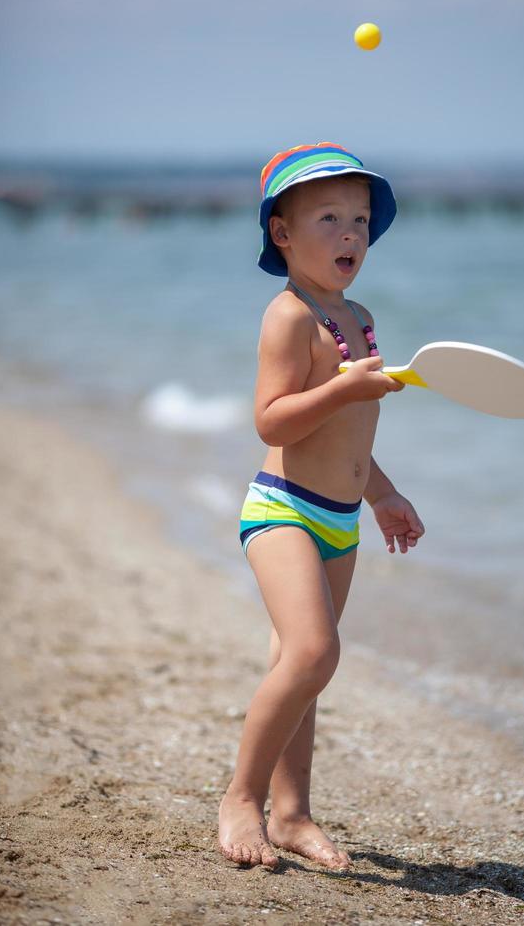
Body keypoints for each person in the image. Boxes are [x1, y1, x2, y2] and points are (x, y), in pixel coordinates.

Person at [218, 142, 425, 871]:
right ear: (282, 232)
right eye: (329, 217)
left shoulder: (361, 318)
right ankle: (242, 796)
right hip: (283, 509)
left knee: (298, 666)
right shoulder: (289, 317)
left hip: (340, 518)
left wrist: (384, 492)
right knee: (314, 652)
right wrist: (342, 386)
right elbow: (273, 420)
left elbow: (348, 433)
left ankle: (293, 813)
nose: (350, 235)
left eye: (362, 220)